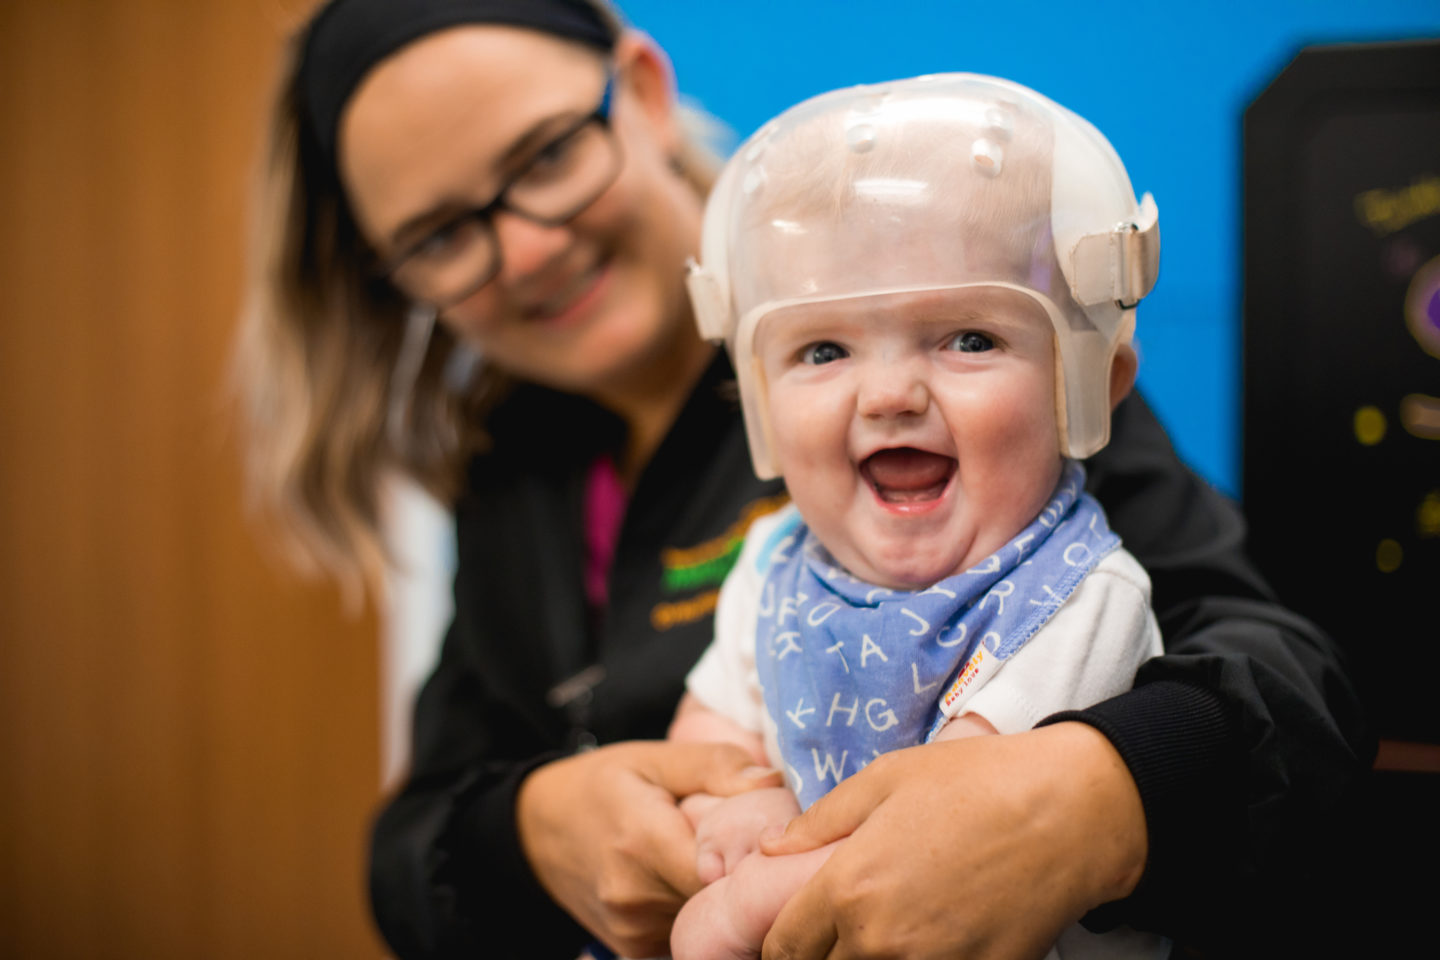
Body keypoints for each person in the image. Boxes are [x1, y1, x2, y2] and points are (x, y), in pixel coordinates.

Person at [232, 1, 1370, 958]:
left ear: (636, 85)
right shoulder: (513, 472)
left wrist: (1096, 793)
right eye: (439, 233)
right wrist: (531, 828)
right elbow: (411, 842)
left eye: (542, 158)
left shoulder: (973, 366)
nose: (526, 248)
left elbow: (1290, 681)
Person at [666, 73, 1166, 960]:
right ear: (756, 401)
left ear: (1088, 386)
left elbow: (941, 831)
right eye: (823, 349)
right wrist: (732, 804)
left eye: (969, 338)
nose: (891, 393)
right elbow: (711, 731)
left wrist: (733, 912)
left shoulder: (1079, 601)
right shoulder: (773, 567)